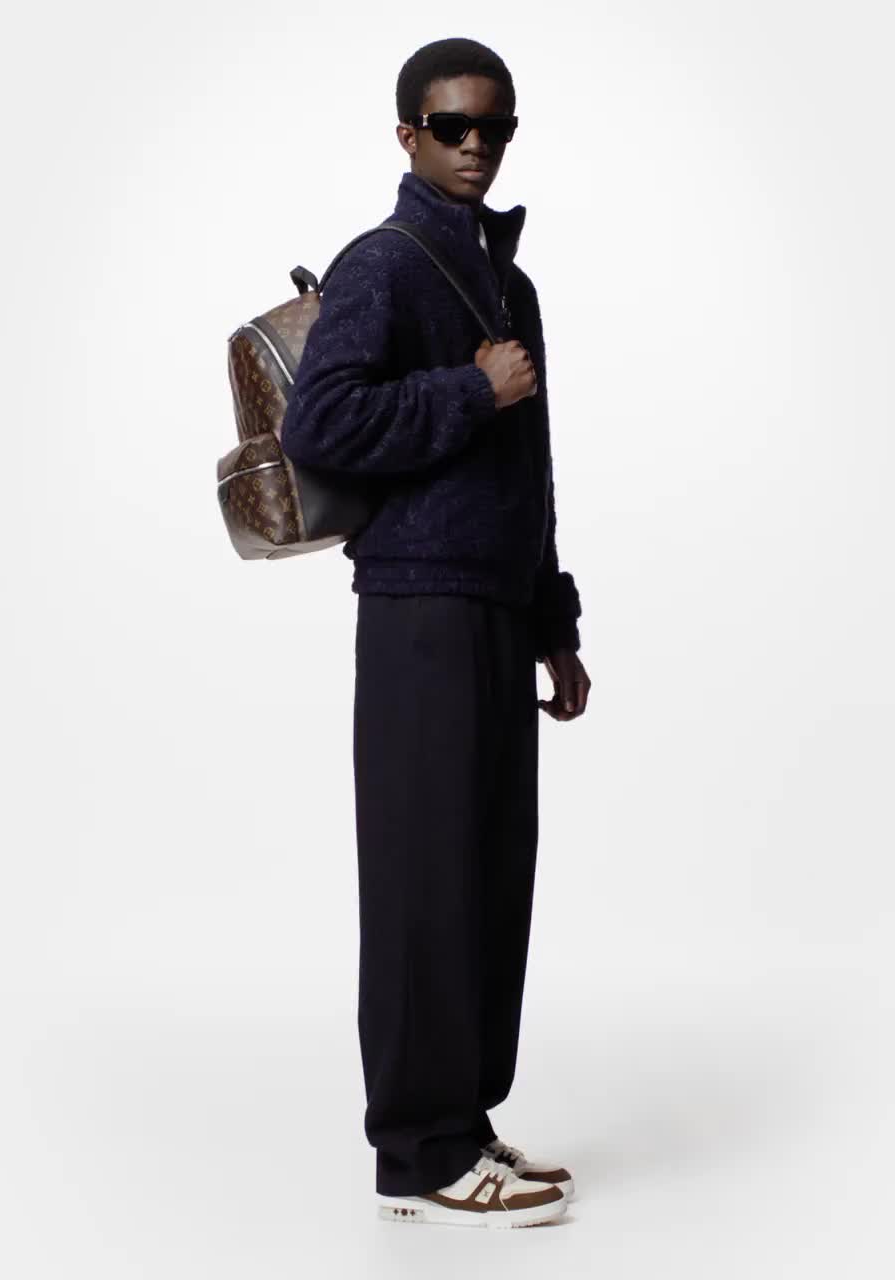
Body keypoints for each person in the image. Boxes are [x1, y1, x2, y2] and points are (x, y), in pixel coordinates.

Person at [279, 36, 591, 1230]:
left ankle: (460, 1118)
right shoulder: (382, 263)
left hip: (497, 608)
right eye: (451, 125)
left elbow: (531, 472)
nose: (474, 145)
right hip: (415, 607)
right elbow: (321, 424)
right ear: (407, 134)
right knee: (423, 875)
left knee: (487, 873)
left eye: (493, 127)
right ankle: (415, 1149)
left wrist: (552, 622)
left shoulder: (512, 289)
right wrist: (472, 388)